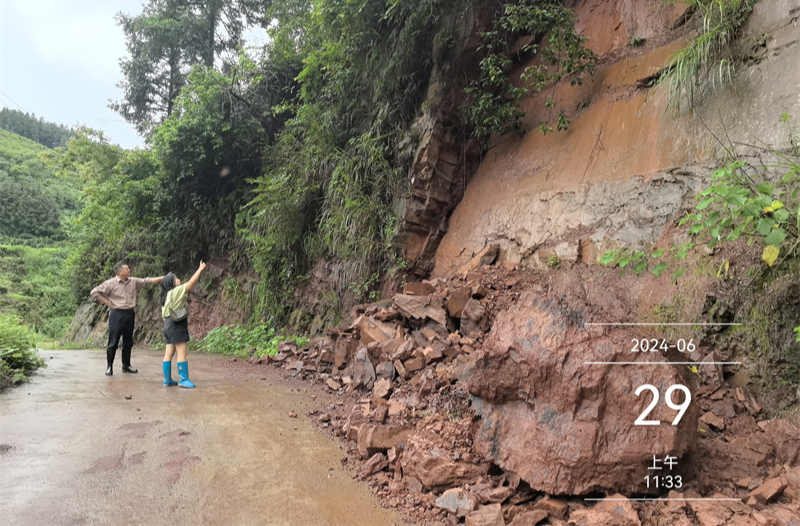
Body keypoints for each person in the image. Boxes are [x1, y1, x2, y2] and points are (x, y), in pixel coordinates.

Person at [90, 262, 164, 375]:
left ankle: (126, 365)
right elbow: (94, 292)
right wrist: (106, 302)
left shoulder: (133, 281)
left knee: (128, 341)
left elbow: (147, 281)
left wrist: (163, 277)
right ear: (120, 272)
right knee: (113, 341)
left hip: (129, 313)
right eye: (127, 268)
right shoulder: (110, 283)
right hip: (116, 313)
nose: (129, 270)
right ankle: (109, 367)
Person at [160, 261, 206, 388]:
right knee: (182, 352)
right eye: (176, 279)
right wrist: (200, 269)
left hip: (167, 325)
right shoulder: (175, 291)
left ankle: (167, 379)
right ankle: (183, 379)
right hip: (176, 325)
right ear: (172, 283)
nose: (178, 279)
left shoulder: (165, 297)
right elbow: (191, 283)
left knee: (169, 352)